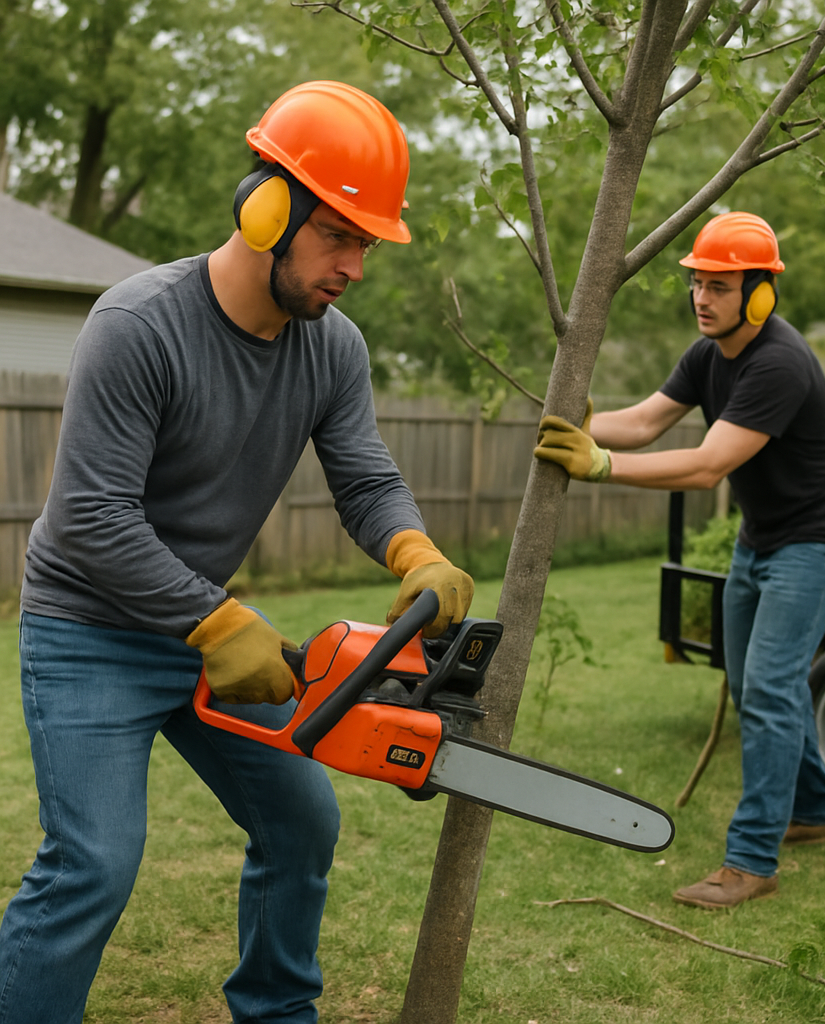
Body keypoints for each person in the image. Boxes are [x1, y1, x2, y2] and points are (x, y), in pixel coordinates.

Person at [0, 80, 473, 1023]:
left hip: (207, 635)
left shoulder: (332, 348)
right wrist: (212, 617)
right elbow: (92, 517)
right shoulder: (139, 326)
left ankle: (275, 1011)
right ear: (267, 210)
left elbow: (366, 480)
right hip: (88, 631)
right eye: (339, 234)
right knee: (93, 863)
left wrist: (416, 550)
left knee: (302, 819)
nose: (356, 266)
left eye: (368, 242)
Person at [534, 211, 825, 909]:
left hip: (818, 538)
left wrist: (601, 466)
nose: (702, 299)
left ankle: (751, 861)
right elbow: (649, 420)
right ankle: (813, 809)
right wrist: (578, 420)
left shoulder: (779, 362)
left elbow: (709, 465)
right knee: (752, 685)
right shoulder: (706, 356)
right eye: (696, 284)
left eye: (719, 285)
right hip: (761, 537)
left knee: (771, 690)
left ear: (761, 292)